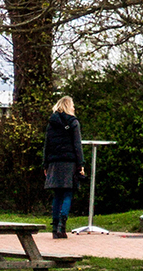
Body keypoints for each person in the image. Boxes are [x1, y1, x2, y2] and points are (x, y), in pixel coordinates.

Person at [42, 96, 85, 239]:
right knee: (68, 193)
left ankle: (54, 227)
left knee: (57, 194)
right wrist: (81, 165)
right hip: (69, 162)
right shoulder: (73, 123)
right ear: (68, 106)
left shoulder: (51, 124)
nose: (74, 108)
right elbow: (77, 145)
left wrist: (45, 164)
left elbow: (47, 145)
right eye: (72, 105)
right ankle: (62, 225)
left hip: (54, 162)